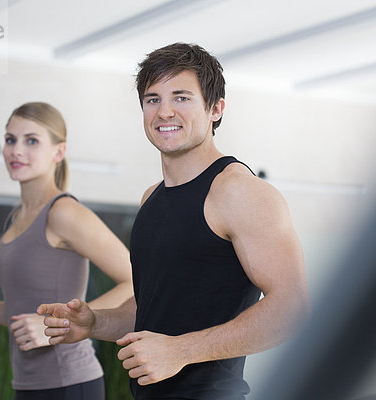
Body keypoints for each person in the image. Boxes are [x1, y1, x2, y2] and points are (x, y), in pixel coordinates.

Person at [38, 43, 310, 399]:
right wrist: (95, 322)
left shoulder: (239, 192)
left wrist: (182, 350)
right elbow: (153, 307)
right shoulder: (151, 198)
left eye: (181, 98)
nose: (164, 112)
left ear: (215, 109)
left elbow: (293, 309)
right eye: (152, 99)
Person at [0, 102, 133, 400]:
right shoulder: (16, 217)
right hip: (28, 385)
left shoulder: (64, 212)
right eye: (10, 139)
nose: (17, 150)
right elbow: (25, 310)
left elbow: (135, 279)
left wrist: (65, 323)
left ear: (58, 152)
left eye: (31, 140)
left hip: (70, 383)